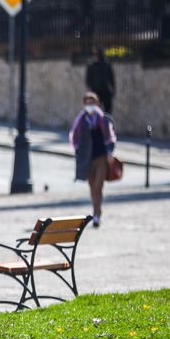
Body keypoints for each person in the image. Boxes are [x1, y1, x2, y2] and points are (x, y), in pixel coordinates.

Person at [69, 92, 117, 228]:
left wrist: (109, 153)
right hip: (87, 160)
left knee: (98, 186)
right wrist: (78, 153)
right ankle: (95, 211)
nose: (90, 106)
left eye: (92, 103)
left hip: (101, 158)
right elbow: (74, 139)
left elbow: (110, 138)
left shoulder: (103, 120)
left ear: (97, 104)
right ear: (84, 105)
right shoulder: (81, 121)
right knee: (92, 187)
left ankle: (97, 215)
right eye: (88, 103)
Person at [84, 48, 116, 114]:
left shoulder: (106, 64)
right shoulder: (91, 65)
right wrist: (90, 92)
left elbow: (111, 78)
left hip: (105, 91)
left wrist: (113, 89)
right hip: (95, 92)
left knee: (107, 111)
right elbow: (88, 80)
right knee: (95, 111)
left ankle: (107, 123)